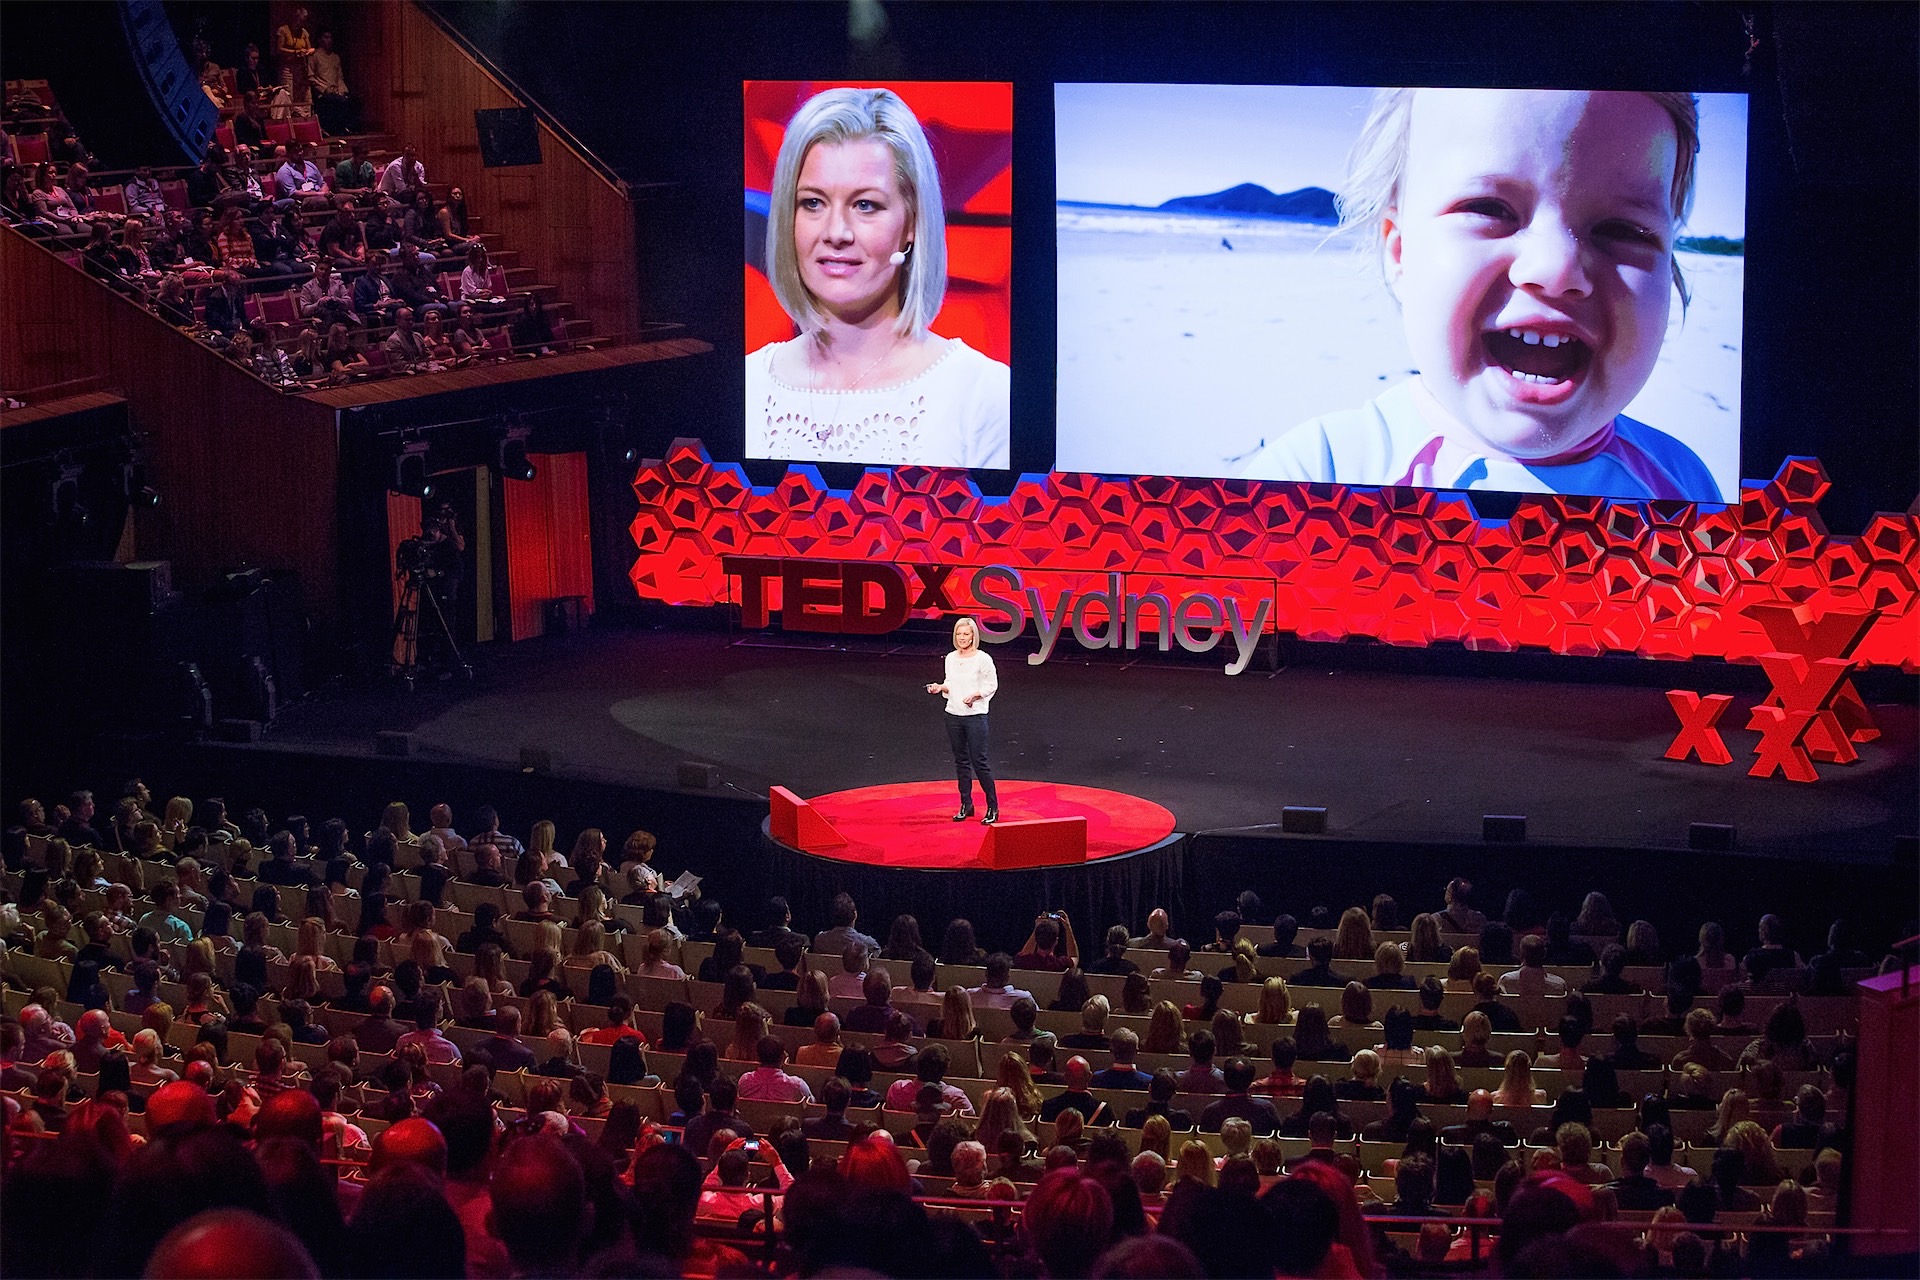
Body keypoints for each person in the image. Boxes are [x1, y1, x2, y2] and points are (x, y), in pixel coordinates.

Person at [1239, 89, 1721, 502]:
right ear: (1400, 253)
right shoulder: (1311, 478)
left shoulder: (1686, 490)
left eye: (1623, 229)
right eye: (1490, 208)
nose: (1556, 268)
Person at [747, 86, 1010, 467]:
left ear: (912, 224)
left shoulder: (982, 396)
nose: (836, 232)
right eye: (813, 203)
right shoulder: (748, 386)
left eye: (865, 205)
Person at [925, 614, 1000, 822]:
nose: (962, 637)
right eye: (958, 634)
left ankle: (993, 807)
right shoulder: (950, 658)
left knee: (979, 761)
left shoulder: (982, 658)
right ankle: (966, 804)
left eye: (966, 634)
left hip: (975, 716)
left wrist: (976, 695)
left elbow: (991, 685)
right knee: (961, 762)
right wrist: (940, 687)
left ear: (973, 636)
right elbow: (951, 683)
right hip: (953, 715)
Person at [307, 30, 359, 135]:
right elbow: (311, 77)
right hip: (322, 92)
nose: (329, 40)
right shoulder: (315, 56)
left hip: (336, 90)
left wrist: (342, 91)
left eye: (330, 38)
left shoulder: (335, 57)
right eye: (326, 37)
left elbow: (340, 77)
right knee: (335, 101)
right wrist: (325, 89)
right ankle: (337, 129)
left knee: (353, 100)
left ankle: (349, 128)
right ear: (319, 40)